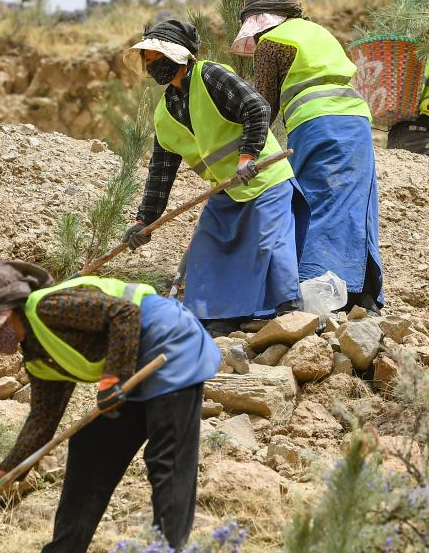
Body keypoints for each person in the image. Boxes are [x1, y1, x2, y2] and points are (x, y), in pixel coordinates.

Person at [0, 260, 220, 553]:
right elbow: (40, 424)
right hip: (133, 362)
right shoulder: (38, 356)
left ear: (9, 311)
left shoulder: (47, 308)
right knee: (91, 450)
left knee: (167, 459)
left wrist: (112, 378)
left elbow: (124, 313)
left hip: (169, 342)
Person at [122, 18, 309, 338]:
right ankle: (219, 319)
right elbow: (160, 173)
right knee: (208, 248)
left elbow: (257, 108)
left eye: (158, 56)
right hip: (226, 189)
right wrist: (144, 221)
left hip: (264, 177)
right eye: (148, 59)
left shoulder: (210, 75)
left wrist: (248, 156)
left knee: (269, 242)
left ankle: (289, 312)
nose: (152, 64)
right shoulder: (164, 115)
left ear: (179, 55)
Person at [232, 0, 383, 313]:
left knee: (315, 203)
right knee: (357, 204)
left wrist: (245, 151)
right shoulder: (318, 33)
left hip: (317, 124)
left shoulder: (272, 42)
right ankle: (363, 297)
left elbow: (263, 106)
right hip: (356, 121)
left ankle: (315, 291)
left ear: (260, 21)